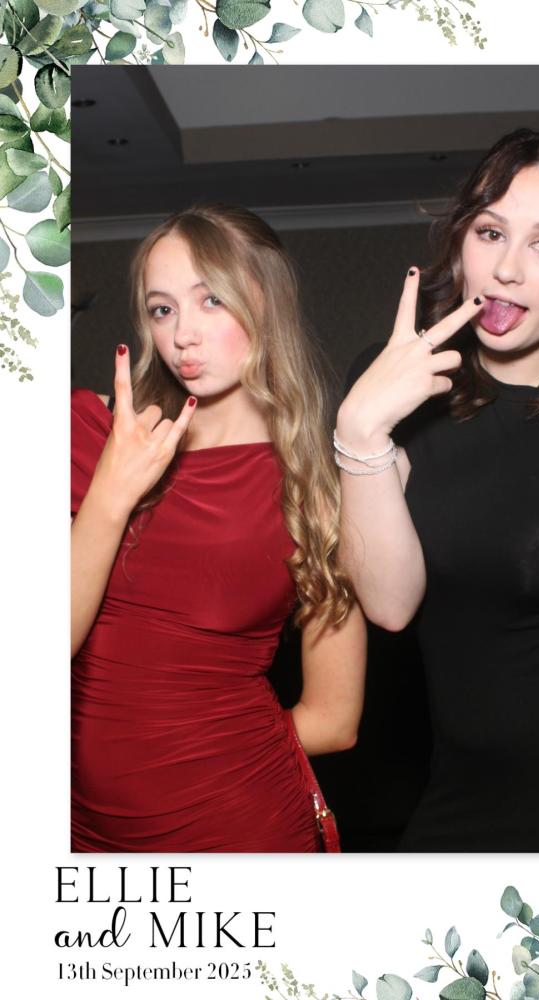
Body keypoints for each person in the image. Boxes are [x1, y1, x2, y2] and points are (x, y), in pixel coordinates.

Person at [71, 204, 366, 853]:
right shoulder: (88, 433)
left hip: (238, 822)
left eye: (211, 300)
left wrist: (188, 756)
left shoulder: (317, 490)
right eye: (162, 309)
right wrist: (112, 492)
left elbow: (334, 718)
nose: (183, 334)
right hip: (80, 830)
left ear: (267, 303)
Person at [336, 129, 539, 851]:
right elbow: (389, 605)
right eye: (490, 232)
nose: (507, 269)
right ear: (460, 242)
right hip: (460, 801)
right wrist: (358, 430)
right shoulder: (395, 385)